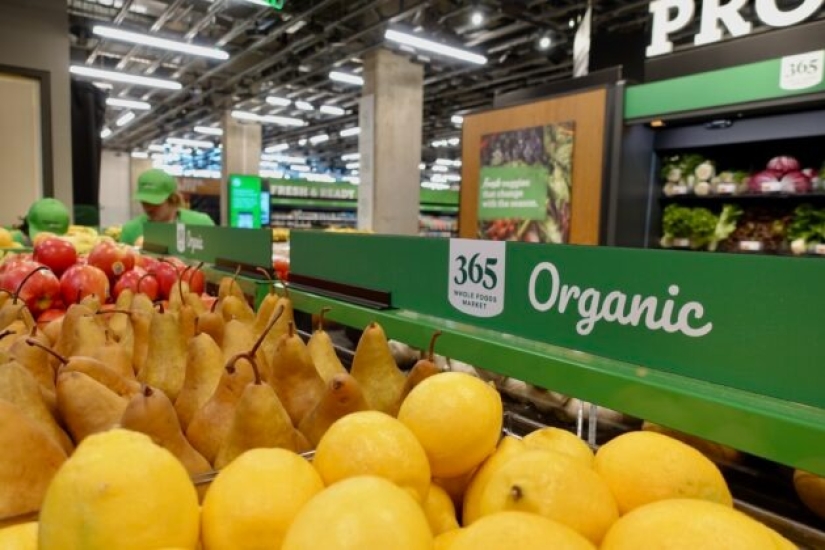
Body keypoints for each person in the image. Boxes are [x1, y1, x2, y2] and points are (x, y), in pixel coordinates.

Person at [121, 169, 215, 245]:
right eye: (144, 202)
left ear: (173, 199)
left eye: (154, 203)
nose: (148, 208)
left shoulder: (201, 224)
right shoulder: (131, 230)